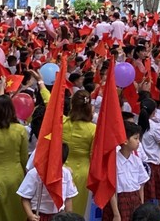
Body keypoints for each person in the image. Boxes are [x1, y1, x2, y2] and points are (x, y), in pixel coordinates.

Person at [17, 143, 78, 221]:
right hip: (39, 215)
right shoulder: (34, 174)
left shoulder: (66, 174)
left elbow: (68, 198)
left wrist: (69, 216)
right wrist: (30, 215)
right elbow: (25, 198)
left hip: (59, 216)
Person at [103, 122, 148, 221]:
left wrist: (141, 205)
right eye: (135, 138)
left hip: (135, 200)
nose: (138, 142)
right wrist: (116, 213)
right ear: (125, 141)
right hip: (118, 202)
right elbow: (110, 189)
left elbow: (141, 185)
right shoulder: (113, 162)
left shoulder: (137, 160)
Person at [62, 90, 96, 218]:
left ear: (72, 105)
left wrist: (41, 84)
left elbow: (50, 103)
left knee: (62, 209)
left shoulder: (63, 123)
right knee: (81, 211)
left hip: (62, 169)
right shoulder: (93, 129)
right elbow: (93, 156)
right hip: (83, 173)